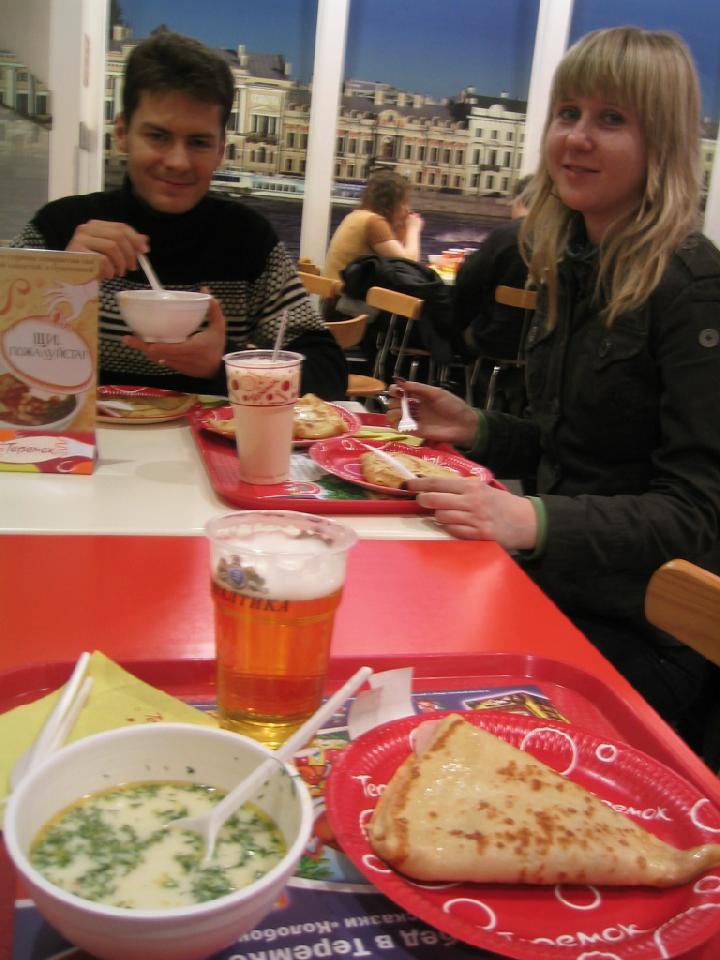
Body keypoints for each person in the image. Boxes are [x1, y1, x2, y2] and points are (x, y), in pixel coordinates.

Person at [388, 27, 720, 747]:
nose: (576, 138)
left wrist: (526, 519)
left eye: (611, 119)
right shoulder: (575, 263)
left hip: (646, 634)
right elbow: (575, 451)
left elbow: (695, 515)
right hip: (556, 589)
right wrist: (478, 428)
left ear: (661, 144)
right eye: (568, 113)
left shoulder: (693, 285)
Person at [10, 30, 347, 400]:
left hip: (209, 438)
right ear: (122, 133)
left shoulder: (248, 240)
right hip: (73, 433)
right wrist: (57, 280)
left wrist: (223, 366)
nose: (177, 161)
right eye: (158, 136)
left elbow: (328, 372)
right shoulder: (57, 228)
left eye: (198, 143)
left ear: (220, 150)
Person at [452, 174, 533, 415]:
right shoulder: (565, 240)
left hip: (495, 340)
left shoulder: (506, 235)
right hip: (542, 351)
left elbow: (466, 285)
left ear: (518, 200)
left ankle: (478, 407)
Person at [324, 168, 424, 288]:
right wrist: (413, 229)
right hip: (346, 297)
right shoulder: (374, 222)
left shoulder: (358, 216)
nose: (407, 208)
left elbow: (394, 260)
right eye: (405, 202)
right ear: (392, 202)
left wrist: (402, 229)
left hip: (336, 292)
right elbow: (408, 266)